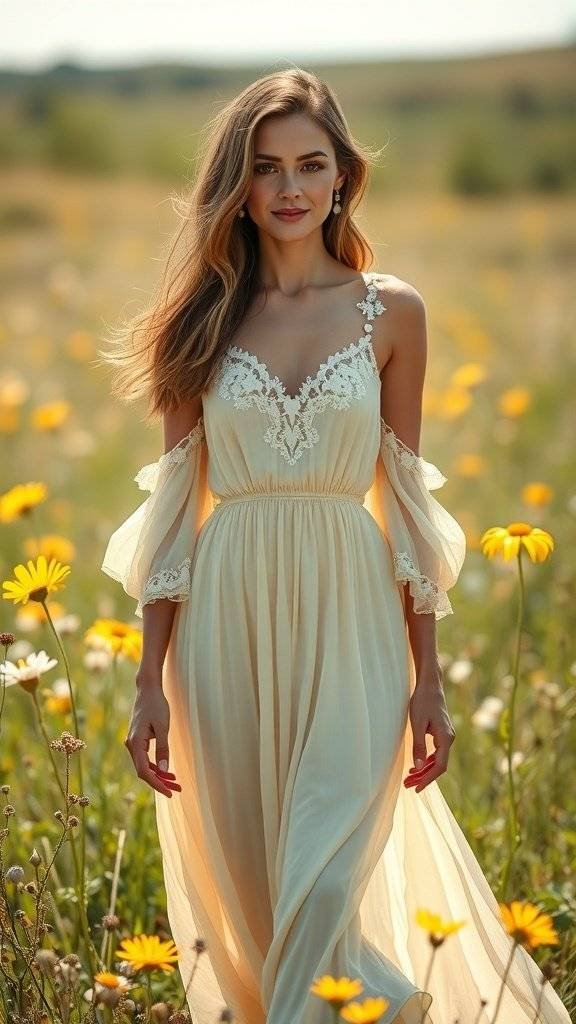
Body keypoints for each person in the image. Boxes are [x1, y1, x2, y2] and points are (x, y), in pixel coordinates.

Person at [99, 68, 571, 1024]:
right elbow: (175, 503)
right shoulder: (200, 321)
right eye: (266, 167)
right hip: (225, 626)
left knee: (320, 891)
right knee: (264, 912)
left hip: (356, 619)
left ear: (344, 176)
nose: (290, 188)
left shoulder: (392, 312)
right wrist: (149, 680)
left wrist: (428, 676)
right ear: (237, 185)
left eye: (311, 164)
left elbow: (405, 496)